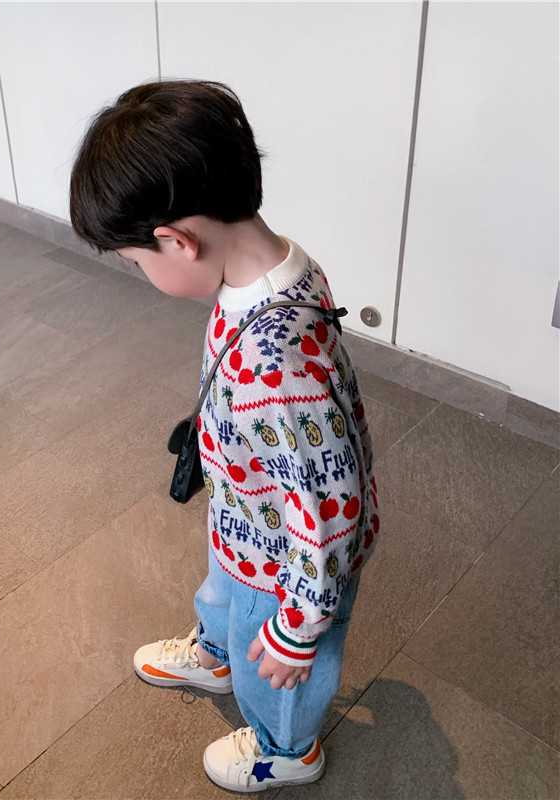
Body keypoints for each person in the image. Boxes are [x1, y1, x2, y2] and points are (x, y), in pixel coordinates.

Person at [69, 80, 378, 793]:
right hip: (247, 510)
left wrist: (297, 627)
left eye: (137, 263)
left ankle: (286, 746)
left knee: (274, 665)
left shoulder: (277, 369)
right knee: (223, 597)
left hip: (292, 565)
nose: (143, 273)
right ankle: (216, 653)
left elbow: (328, 504)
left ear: (177, 241)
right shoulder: (279, 264)